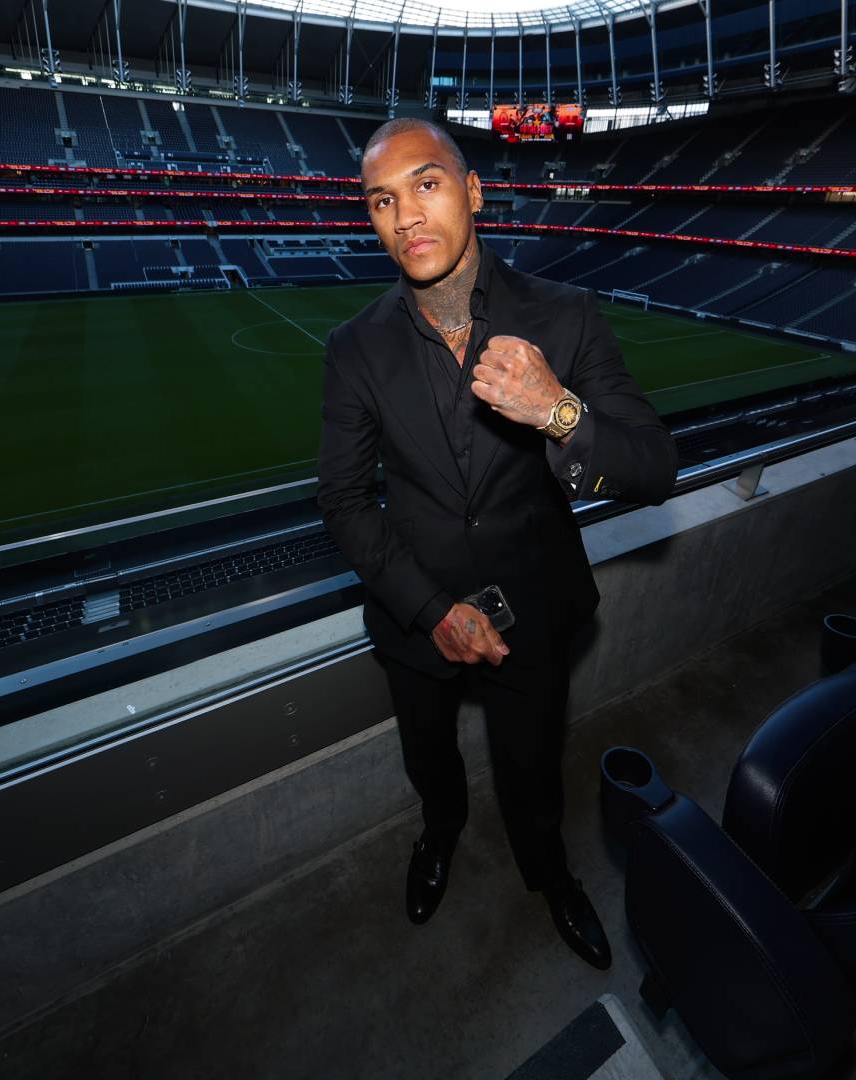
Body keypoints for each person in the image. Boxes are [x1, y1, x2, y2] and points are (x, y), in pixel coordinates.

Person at [314, 118, 676, 970]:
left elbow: (655, 466)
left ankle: (550, 875)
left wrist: (558, 410)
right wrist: (431, 610)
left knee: (532, 768)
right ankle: (438, 837)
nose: (405, 215)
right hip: (417, 617)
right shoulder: (354, 348)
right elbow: (342, 499)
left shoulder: (565, 315)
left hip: (534, 610)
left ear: (473, 192)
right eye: (382, 200)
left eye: (426, 184)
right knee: (430, 760)